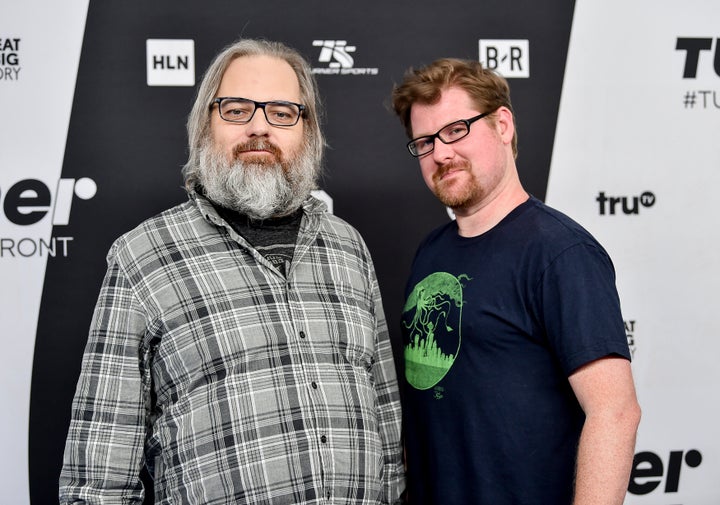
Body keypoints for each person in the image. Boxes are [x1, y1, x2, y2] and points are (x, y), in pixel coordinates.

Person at [59, 38, 405, 504]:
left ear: (308, 131)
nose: (259, 127)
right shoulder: (143, 257)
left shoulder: (349, 249)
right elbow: (96, 483)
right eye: (237, 110)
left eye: (282, 112)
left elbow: (386, 425)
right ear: (205, 125)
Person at [390, 58, 641, 504]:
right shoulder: (431, 251)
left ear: (502, 125)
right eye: (425, 141)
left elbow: (614, 412)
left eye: (456, 130)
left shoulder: (560, 252)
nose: (441, 153)